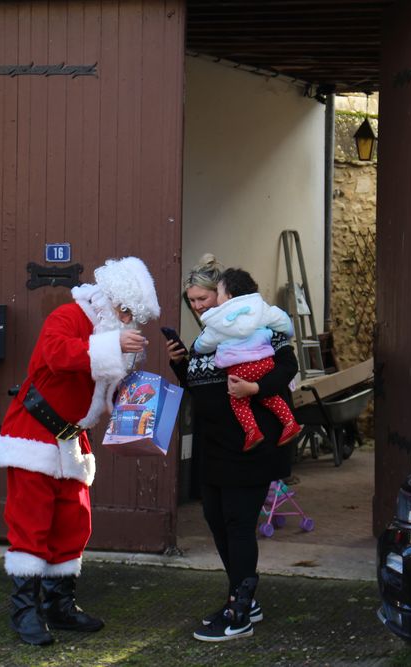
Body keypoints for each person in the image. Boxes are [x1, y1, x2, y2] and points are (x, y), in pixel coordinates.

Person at [0, 256, 160, 646]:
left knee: (74, 524)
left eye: (131, 317)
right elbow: (57, 354)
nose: (126, 322)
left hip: (71, 440)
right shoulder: (69, 316)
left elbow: (105, 387)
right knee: (31, 524)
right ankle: (24, 611)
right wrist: (113, 343)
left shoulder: (108, 331)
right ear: (110, 301)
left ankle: (59, 605)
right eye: (124, 313)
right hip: (33, 434)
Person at [167, 254, 297, 642]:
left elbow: (287, 367)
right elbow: (197, 387)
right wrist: (180, 364)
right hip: (214, 447)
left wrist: (256, 388)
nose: (198, 306)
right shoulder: (206, 339)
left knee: (239, 524)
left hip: (251, 445)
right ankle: (241, 595)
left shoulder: (261, 326)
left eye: (204, 298)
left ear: (224, 296)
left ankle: (239, 611)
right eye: (191, 301)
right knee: (215, 518)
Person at [193, 268, 302, 451]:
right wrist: (288, 333)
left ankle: (252, 431)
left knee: (238, 401)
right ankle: (290, 422)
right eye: (192, 300)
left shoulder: (219, 319)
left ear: (228, 295)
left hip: (239, 369)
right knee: (270, 398)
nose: (197, 305)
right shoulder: (261, 309)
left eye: (217, 293)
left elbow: (203, 344)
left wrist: (197, 346)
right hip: (264, 362)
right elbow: (283, 322)